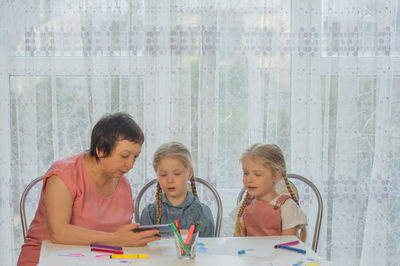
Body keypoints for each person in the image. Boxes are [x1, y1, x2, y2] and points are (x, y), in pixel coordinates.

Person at [18, 112, 160, 266]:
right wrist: (116, 239)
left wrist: (133, 238)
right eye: (125, 156)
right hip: (44, 259)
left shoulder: (123, 184)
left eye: (135, 157)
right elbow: (58, 233)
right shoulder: (63, 175)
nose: (131, 165)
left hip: (92, 259)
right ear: (100, 150)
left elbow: (120, 236)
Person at [139, 141, 215, 237]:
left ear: (190, 173)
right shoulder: (149, 213)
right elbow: (145, 249)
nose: (170, 180)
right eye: (163, 175)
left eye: (177, 174)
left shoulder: (203, 213)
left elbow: (210, 249)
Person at [234, 143, 307, 239]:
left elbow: (287, 247)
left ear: (276, 176)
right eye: (246, 173)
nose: (249, 180)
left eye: (258, 174)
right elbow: (238, 241)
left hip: (283, 254)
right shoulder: (246, 204)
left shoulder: (288, 207)